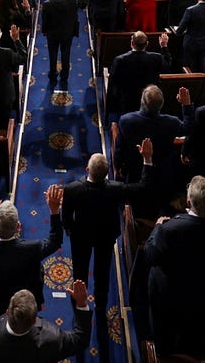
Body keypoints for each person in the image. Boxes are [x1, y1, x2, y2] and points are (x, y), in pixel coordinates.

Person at [63, 140, 154, 354]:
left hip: (81, 237)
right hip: (105, 236)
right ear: (106, 174)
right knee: (103, 271)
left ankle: (79, 303)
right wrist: (147, 160)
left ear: (87, 170)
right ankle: (101, 304)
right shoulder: (116, 189)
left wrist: (70, 230)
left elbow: (66, 216)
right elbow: (142, 188)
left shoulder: (72, 189)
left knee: (80, 271)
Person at [143, 176, 205, 355]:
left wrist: (157, 227)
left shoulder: (169, 229)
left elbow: (150, 256)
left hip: (173, 299)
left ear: (188, 201)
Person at [0, 186, 64, 319]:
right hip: (26, 306)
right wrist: (54, 211)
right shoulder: (32, 249)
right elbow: (55, 241)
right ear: (18, 227)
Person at [0, 282, 90, 362]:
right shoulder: (52, 339)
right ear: (35, 320)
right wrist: (81, 304)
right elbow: (80, 340)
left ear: (7, 312)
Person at [106, 31, 170, 118]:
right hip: (149, 99)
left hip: (127, 100)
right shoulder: (156, 58)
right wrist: (164, 46)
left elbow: (113, 81)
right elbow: (167, 66)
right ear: (147, 44)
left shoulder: (120, 60)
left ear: (132, 43)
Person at [41, 0, 79, 89]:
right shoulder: (72, 1)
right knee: (66, 54)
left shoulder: (47, 4)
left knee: (52, 55)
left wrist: (44, 31)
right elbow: (84, 2)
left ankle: (53, 74)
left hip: (52, 35)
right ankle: (64, 76)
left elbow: (45, 20)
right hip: (67, 34)